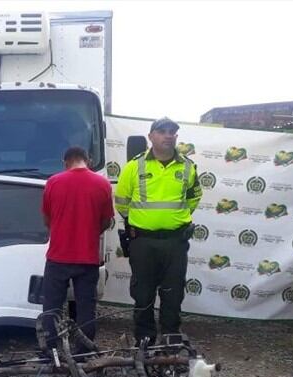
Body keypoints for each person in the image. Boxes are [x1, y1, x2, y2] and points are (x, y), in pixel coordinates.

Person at [114, 117, 203, 345]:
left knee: (173, 295)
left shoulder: (187, 166)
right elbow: (122, 202)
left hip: (175, 242)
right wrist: (139, 221)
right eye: (162, 131)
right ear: (151, 136)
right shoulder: (135, 166)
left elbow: (194, 197)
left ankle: (171, 341)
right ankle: (144, 341)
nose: (168, 135)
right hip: (143, 242)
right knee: (143, 294)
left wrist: (174, 219)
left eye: (172, 131)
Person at [40, 146, 114, 345]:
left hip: (58, 256)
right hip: (87, 258)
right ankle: (84, 352)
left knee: (52, 307)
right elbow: (106, 221)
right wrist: (89, 233)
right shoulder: (102, 184)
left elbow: (48, 220)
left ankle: (52, 351)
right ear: (88, 160)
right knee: (85, 308)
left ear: (65, 162)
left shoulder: (53, 182)